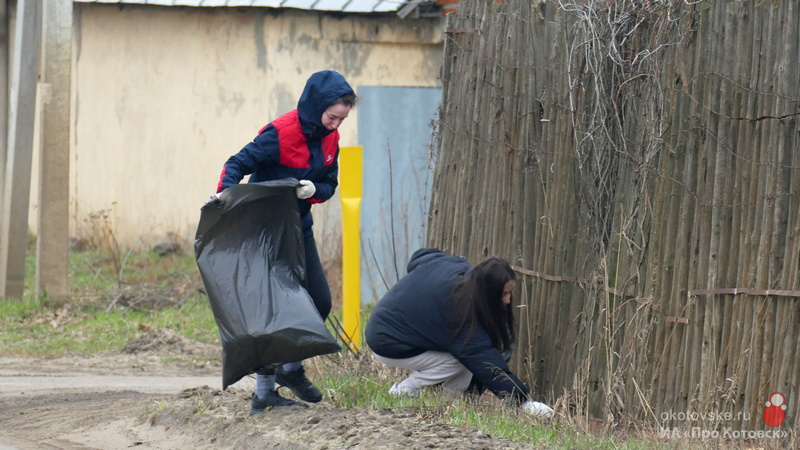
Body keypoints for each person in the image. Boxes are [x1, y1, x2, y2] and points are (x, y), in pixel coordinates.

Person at [215, 70, 357, 413]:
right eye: (332, 117)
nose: (336, 125)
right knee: (270, 311)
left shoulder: (330, 140)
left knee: (319, 302)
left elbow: (328, 185)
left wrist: (313, 191)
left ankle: (290, 370)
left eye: (342, 119)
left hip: (298, 227)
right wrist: (224, 199)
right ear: (316, 106)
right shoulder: (279, 134)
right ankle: (264, 395)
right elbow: (235, 165)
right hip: (262, 233)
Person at [365, 248, 554, 418]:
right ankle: (407, 389)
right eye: (503, 294)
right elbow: (487, 364)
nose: (508, 300)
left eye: (510, 293)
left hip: (387, 325)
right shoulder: (458, 310)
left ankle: (448, 399)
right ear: (487, 292)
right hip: (387, 342)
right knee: (460, 357)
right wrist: (523, 403)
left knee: (463, 355)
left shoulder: (459, 269)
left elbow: (421, 256)